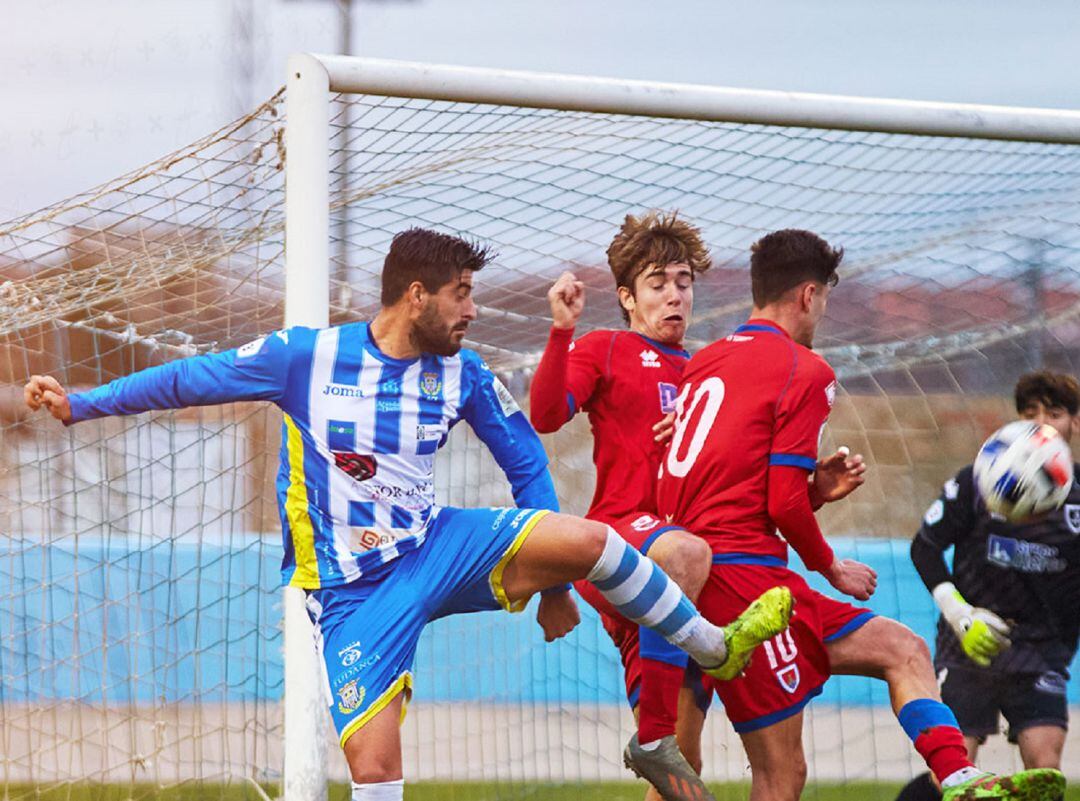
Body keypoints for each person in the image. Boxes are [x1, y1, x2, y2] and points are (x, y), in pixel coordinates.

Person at [25, 227, 793, 801]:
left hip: (439, 544)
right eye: (461, 293)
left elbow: (524, 455)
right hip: (356, 591)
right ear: (417, 296)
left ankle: (709, 642)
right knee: (376, 769)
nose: (472, 309)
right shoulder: (307, 358)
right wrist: (84, 403)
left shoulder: (460, 372)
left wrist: (556, 585)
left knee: (591, 539)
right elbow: (195, 380)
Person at [653, 228, 1067, 801]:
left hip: (701, 575)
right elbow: (778, 502)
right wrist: (832, 568)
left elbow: (726, 483)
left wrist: (814, 490)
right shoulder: (804, 369)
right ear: (807, 295)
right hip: (745, 587)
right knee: (779, 774)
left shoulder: (704, 362)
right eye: (823, 297)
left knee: (902, 649)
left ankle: (959, 778)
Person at [530, 211, 716, 800]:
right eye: (658, 283)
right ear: (628, 298)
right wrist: (562, 331)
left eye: (683, 281)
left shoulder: (707, 371)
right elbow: (546, 415)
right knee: (683, 554)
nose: (674, 295)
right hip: (624, 536)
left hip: (687, 561)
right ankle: (652, 735)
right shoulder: (606, 348)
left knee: (685, 770)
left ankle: (660, 741)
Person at [896, 371, 1080, 801]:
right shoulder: (978, 480)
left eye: (1054, 413)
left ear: (1075, 422)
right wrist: (961, 615)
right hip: (968, 642)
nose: (1043, 423)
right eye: (1031, 413)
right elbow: (924, 549)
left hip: (1041, 650)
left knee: (1045, 773)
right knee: (953, 774)